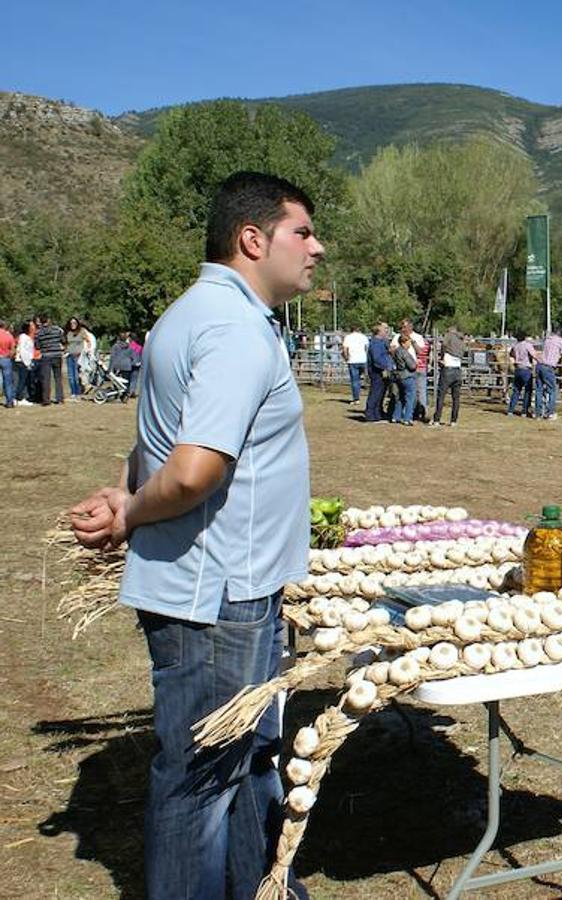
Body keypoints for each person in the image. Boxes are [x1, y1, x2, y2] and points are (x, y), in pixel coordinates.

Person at [68, 171, 320, 900]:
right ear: (253, 239)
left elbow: (161, 448)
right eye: (301, 232)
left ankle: (263, 889)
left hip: (218, 590)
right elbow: (192, 470)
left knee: (243, 767)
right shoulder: (236, 329)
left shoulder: (189, 314)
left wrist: (125, 496)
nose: (316, 247)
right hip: (219, 600)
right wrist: (133, 511)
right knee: (199, 785)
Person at [432, 326, 466, 427]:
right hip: (458, 370)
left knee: (441, 395)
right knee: (456, 398)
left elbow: (444, 345)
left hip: (448, 369)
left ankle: (437, 419)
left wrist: (441, 357)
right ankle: (453, 420)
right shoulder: (461, 340)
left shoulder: (449, 336)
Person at [536, 330, 562, 420]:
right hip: (548, 367)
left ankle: (538, 414)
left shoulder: (547, 340)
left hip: (539, 365)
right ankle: (550, 413)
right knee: (552, 390)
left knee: (539, 390)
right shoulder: (560, 341)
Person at [400, 319, 429, 422]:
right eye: (402, 327)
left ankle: (423, 412)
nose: (403, 329)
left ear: (410, 327)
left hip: (418, 367)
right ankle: (407, 414)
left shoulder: (418, 337)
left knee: (421, 392)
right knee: (407, 393)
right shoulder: (398, 337)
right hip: (404, 369)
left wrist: (413, 342)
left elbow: (421, 351)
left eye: (405, 327)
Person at [364, 322, 393, 423]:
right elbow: (377, 359)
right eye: (385, 328)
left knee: (381, 393)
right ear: (379, 331)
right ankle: (370, 415)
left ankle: (378, 414)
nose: (387, 330)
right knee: (375, 393)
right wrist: (385, 367)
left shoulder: (382, 342)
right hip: (377, 372)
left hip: (382, 371)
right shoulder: (376, 343)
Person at [35, 314, 65, 404]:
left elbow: (37, 346)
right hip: (57, 354)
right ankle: (59, 398)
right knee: (58, 377)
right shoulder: (57, 329)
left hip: (46, 356)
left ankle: (46, 399)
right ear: (49, 320)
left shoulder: (39, 333)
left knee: (46, 378)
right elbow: (63, 340)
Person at [507, 333, 537, 416]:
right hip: (526, 369)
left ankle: (510, 410)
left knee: (516, 390)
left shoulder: (515, 346)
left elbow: (511, 354)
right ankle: (524, 411)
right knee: (527, 391)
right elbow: (534, 355)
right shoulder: (528, 345)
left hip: (517, 369)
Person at [392, 333, 418, 426]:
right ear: (403, 343)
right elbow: (412, 366)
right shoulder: (405, 352)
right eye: (408, 342)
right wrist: (416, 363)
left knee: (400, 397)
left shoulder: (396, 351)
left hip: (398, 376)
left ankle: (396, 416)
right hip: (407, 376)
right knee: (410, 398)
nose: (409, 344)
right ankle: (407, 418)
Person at [340, 326, 368, 406]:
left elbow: (345, 349)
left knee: (354, 380)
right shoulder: (364, 337)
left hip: (353, 360)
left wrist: (346, 358)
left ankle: (356, 398)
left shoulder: (348, 337)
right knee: (361, 378)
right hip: (363, 359)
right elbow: (366, 348)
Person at [109, 331, 137, 402]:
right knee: (126, 382)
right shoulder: (130, 347)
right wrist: (133, 363)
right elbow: (134, 357)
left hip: (117, 365)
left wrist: (110, 368)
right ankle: (124, 395)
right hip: (127, 366)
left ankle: (116, 394)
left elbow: (112, 357)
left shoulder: (115, 346)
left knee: (116, 381)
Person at [64, 317, 87, 396]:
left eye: (74, 323)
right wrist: (65, 351)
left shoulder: (82, 331)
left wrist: (85, 352)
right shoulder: (68, 332)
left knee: (77, 375)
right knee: (71, 375)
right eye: (71, 323)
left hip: (78, 355)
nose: (72, 325)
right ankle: (73, 392)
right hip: (69, 355)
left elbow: (88, 341)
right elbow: (66, 344)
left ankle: (78, 391)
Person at [15, 320, 37, 405]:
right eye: (31, 325)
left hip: (27, 361)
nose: (33, 327)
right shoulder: (23, 337)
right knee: (22, 380)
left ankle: (21, 397)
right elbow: (23, 350)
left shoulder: (28, 337)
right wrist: (27, 363)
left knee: (25, 380)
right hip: (23, 361)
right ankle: (19, 398)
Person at [0, 319, 15, 408]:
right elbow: (13, 349)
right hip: (5, 359)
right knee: (8, 381)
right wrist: (9, 355)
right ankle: (9, 401)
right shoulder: (8, 335)